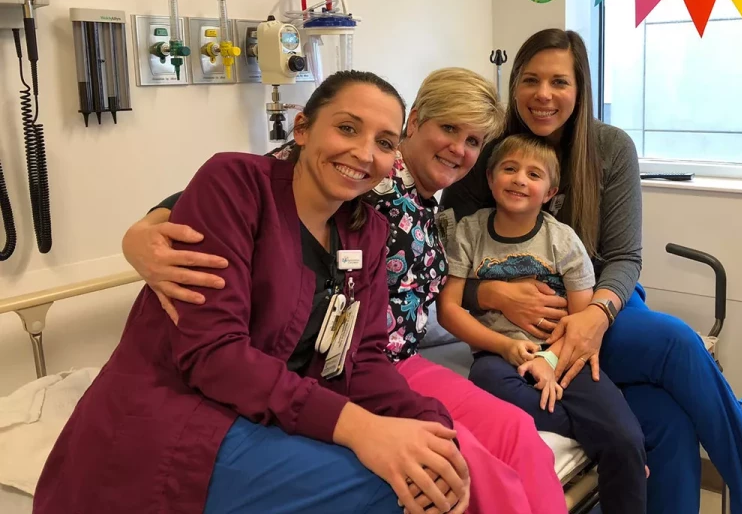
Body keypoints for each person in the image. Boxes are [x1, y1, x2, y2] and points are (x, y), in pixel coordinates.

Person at [119, 68, 567, 514]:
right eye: (449, 127)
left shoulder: (386, 219)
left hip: (376, 363)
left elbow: (390, 322)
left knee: (516, 436)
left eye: (473, 141)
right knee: (456, 466)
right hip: (330, 369)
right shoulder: (362, 180)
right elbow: (249, 184)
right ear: (416, 123)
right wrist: (142, 231)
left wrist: (427, 413)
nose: (459, 147)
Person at [33, 71, 472, 514]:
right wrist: (357, 427)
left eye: (383, 142)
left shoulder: (367, 234)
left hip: (274, 413)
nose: (363, 153)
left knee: (432, 467)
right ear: (301, 129)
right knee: (390, 489)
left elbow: (364, 358)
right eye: (347, 128)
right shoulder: (235, 185)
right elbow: (214, 355)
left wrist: (430, 426)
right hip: (179, 420)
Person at [439, 28, 742, 514]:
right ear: (514, 87)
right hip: (525, 324)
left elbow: (626, 257)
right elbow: (446, 267)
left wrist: (596, 317)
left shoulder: (609, 148)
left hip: (605, 304)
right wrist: (494, 296)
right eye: (530, 80)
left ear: (580, 87)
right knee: (668, 419)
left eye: (559, 82)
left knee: (677, 343)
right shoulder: (491, 155)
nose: (543, 94)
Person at [437, 134, 648, 514]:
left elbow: (581, 319)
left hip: (560, 354)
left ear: (550, 192)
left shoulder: (562, 240)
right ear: (490, 178)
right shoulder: (469, 232)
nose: (519, 179)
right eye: (510, 168)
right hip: (497, 355)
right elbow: (448, 309)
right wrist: (505, 347)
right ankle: (601, 435)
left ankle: (615, 442)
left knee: (627, 437)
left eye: (533, 174)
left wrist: (549, 361)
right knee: (484, 381)